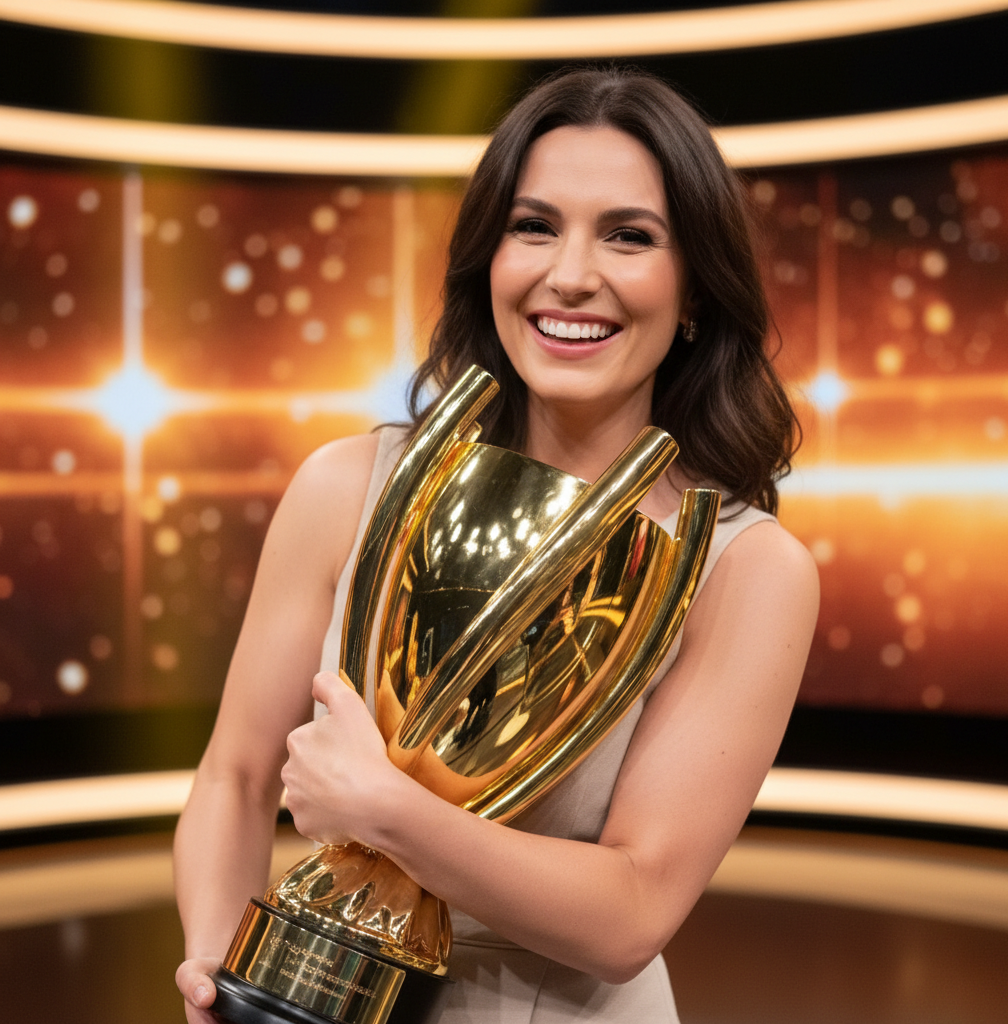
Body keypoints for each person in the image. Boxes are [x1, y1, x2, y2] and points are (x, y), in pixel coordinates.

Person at [174, 66, 819, 1023]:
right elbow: (233, 776)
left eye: (629, 236)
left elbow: (633, 912)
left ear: (693, 292)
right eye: (534, 226)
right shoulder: (349, 486)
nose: (572, 274)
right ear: (488, 258)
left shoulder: (746, 567)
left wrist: (386, 811)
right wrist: (217, 967)